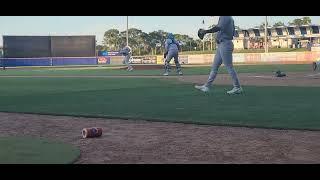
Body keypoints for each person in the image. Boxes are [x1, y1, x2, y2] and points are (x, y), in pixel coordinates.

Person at [195, 16, 243, 95]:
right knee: (215, 66)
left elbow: (218, 28)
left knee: (229, 67)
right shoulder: (226, 17)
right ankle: (207, 86)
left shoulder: (225, 17)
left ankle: (237, 87)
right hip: (222, 44)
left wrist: (205, 31)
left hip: (225, 43)